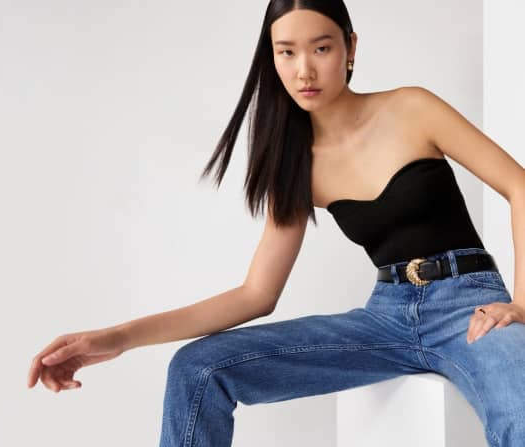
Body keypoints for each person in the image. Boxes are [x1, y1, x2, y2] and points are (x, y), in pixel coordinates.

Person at [26, 1, 525, 445]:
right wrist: (117, 338)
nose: (304, 69)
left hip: (469, 305)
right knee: (197, 369)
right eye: (286, 52)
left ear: (349, 48)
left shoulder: (411, 108)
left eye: (321, 48)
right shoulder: (297, 166)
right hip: (385, 318)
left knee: (520, 415)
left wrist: (521, 304)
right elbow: (255, 295)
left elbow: (519, 187)